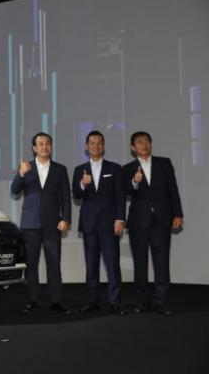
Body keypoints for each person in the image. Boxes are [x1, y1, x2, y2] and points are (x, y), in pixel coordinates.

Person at [123, 131, 183, 316]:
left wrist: (177, 214)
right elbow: (124, 191)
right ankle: (142, 301)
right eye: (140, 142)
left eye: (147, 141)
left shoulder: (164, 163)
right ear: (133, 147)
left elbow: (173, 189)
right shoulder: (127, 168)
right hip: (138, 222)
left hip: (161, 219)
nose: (144, 144)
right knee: (140, 263)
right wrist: (134, 181)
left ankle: (161, 301)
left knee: (162, 261)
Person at [11, 132, 72, 314]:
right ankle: (33, 301)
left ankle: (56, 302)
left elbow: (66, 197)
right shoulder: (26, 167)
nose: (45, 146)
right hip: (30, 224)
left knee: (54, 264)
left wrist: (65, 218)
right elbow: (14, 190)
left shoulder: (60, 169)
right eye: (41, 144)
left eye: (48, 143)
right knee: (32, 264)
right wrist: (21, 174)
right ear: (34, 148)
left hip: (53, 224)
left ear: (51, 146)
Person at [72, 131, 126, 316]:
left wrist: (120, 218)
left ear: (103, 146)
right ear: (86, 147)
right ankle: (92, 302)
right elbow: (76, 195)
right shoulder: (80, 169)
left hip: (110, 224)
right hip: (89, 224)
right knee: (91, 265)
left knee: (112, 265)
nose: (96, 146)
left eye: (99, 143)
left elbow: (120, 196)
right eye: (92, 143)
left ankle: (115, 302)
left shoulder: (115, 168)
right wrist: (82, 184)